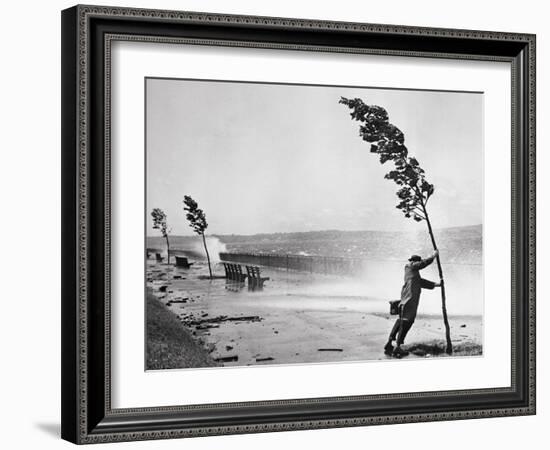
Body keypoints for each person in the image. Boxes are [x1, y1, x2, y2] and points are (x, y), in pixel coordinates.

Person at [384, 250, 442, 358]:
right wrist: (433, 256)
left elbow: (421, 282)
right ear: (413, 262)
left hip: (405, 300)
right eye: (416, 262)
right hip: (410, 300)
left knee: (400, 321)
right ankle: (398, 347)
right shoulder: (411, 267)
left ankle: (389, 342)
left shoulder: (411, 273)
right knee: (406, 322)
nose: (416, 264)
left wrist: (437, 284)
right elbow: (422, 264)